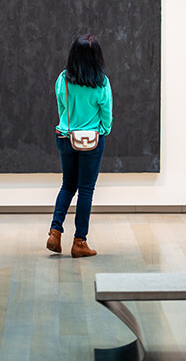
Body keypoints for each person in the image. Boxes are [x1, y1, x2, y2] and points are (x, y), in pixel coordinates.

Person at [47, 34, 113, 257]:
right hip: (91, 141)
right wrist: (101, 131)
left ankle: (55, 232)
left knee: (67, 185)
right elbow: (107, 116)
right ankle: (79, 242)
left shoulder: (63, 79)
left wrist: (68, 126)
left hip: (65, 136)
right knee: (86, 190)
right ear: (96, 57)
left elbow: (61, 107)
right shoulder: (101, 82)